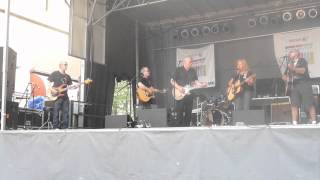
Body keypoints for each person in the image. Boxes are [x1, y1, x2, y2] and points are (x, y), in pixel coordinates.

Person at [282, 50, 317, 125]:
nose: (290, 53)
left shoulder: (302, 60)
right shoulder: (289, 64)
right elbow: (284, 76)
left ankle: (314, 121)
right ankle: (294, 122)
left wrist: (293, 68)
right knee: (294, 104)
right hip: (294, 86)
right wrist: (287, 78)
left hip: (304, 83)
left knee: (309, 103)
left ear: (297, 54)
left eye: (292, 52)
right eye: (290, 53)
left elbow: (303, 71)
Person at [171, 57, 206, 127]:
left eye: (191, 62)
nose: (191, 63)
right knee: (179, 113)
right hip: (180, 94)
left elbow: (195, 81)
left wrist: (201, 84)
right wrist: (179, 87)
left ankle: (186, 129)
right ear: (184, 62)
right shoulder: (178, 70)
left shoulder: (193, 71)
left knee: (188, 114)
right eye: (189, 62)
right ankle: (179, 129)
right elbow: (172, 81)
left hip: (189, 95)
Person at [48, 60, 72, 129]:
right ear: (60, 65)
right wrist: (52, 90)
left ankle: (65, 128)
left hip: (65, 97)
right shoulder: (55, 73)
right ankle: (55, 127)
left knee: (66, 113)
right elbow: (49, 82)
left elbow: (69, 87)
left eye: (67, 64)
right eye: (65, 64)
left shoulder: (68, 76)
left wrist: (75, 87)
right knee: (56, 112)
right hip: (57, 96)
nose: (66, 66)